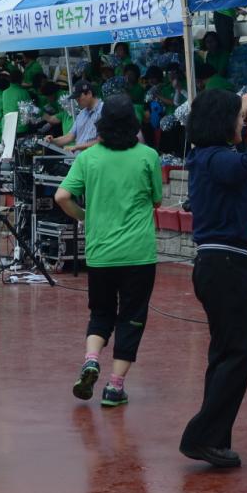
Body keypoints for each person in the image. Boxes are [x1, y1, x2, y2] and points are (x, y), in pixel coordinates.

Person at [179, 88, 247, 469]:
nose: (242, 123)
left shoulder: (206, 156)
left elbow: (243, 161)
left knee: (225, 352)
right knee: (239, 351)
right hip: (224, 264)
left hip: (218, 264)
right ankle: (201, 436)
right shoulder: (217, 158)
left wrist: (244, 114)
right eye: (237, 118)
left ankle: (215, 438)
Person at [56, 94, 163, 407]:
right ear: (133, 124)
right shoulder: (148, 156)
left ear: (102, 125)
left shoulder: (88, 158)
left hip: (100, 253)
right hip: (138, 254)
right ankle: (115, 387)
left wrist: (85, 217)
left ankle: (91, 359)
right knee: (132, 316)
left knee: (101, 312)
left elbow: (62, 196)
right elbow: (157, 200)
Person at [53, 80, 101, 150]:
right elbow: (70, 137)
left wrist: (76, 147)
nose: (77, 101)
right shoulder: (81, 114)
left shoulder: (104, 110)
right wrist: (52, 141)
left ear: (89, 93)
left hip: (95, 155)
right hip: (80, 154)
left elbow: (103, 141)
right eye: (76, 98)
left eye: (79, 98)